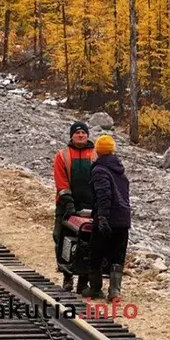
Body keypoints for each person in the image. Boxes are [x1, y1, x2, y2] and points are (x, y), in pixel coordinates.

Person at [82, 135, 131, 301]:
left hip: (108, 218)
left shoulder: (99, 170)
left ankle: (95, 288)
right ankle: (114, 292)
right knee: (117, 255)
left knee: (95, 253)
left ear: (98, 151)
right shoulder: (120, 170)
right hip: (123, 219)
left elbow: (104, 195)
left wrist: (102, 217)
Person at [53, 121, 95, 293]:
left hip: (90, 206)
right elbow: (61, 181)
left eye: (83, 132)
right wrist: (68, 201)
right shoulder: (62, 155)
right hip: (66, 205)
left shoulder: (95, 155)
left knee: (88, 242)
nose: (80, 135)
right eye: (77, 133)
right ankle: (67, 276)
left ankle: (84, 281)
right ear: (72, 135)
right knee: (62, 239)